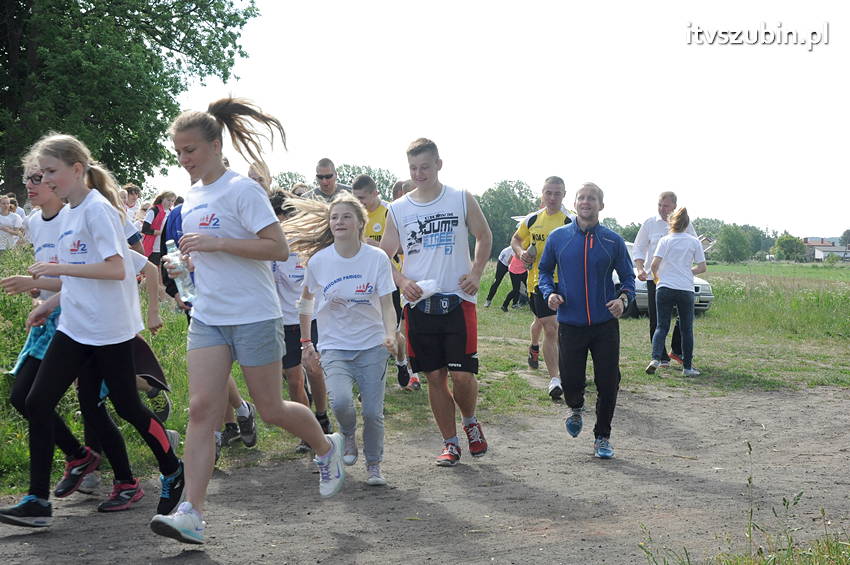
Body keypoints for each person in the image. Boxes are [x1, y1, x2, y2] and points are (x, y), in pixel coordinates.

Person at [150, 97, 344, 545]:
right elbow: (206, 253)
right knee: (201, 409)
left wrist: (218, 244)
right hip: (210, 315)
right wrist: (185, 266)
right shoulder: (192, 198)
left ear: (216, 145)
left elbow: (276, 248)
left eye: (191, 150)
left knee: (271, 408)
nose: (184, 160)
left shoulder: (243, 190)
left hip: (255, 313)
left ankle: (324, 446)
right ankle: (191, 514)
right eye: (178, 152)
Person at [0, 133, 184, 528]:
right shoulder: (68, 213)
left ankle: (172, 465)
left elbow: (117, 269)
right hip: (75, 325)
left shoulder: (97, 210)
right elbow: (76, 282)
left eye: (52, 172)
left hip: (109, 329)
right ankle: (37, 501)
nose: (45, 180)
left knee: (127, 407)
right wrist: (48, 304)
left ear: (77, 169)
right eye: (42, 173)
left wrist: (58, 269)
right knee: (35, 401)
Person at [380, 138, 492, 467]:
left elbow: (484, 236)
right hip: (419, 305)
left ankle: (470, 421)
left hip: (458, 299)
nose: (419, 173)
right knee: (433, 377)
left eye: (425, 167)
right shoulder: (398, 209)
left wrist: (476, 272)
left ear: (438, 164)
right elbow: (383, 255)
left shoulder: (459, 198)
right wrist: (402, 281)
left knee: (462, 375)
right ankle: (450, 442)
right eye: (413, 168)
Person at [286, 193, 396, 485]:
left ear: (360, 222)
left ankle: (374, 465)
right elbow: (306, 302)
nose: (339, 222)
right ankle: (347, 433)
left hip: (372, 345)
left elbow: (387, 304)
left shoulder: (377, 259)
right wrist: (307, 343)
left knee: (373, 412)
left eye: (346, 216)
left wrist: (389, 333)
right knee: (341, 404)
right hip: (334, 346)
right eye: (334, 217)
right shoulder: (319, 261)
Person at [538, 182, 635, 460]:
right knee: (571, 381)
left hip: (605, 324)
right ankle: (576, 406)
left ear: (600, 205)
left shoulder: (612, 241)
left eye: (592, 198)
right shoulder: (558, 238)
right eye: (582, 198)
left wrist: (622, 300)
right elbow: (544, 272)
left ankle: (602, 437)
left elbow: (628, 278)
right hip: (570, 322)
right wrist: (550, 293)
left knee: (608, 381)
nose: (586, 202)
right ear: (575, 203)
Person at [269, 190, 333, 454]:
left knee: (314, 370)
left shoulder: (310, 244)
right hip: (284, 320)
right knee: (294, 378)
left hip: (312, 316)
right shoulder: (271, 246)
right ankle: (309, 433)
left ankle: (322, 416)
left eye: (276, 218)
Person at [511, 177, 572, 400]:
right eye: (548, 193)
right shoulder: (532, 219)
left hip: (565, 283)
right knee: (550, 327)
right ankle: (555, 378)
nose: (552, 197)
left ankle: (540, 351)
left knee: (555, 327)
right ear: (542, 194)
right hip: (538, 282)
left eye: (557, 193)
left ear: (564, 195)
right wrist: (521, 254)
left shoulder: (570, 221)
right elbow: (516, 240)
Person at [352, 174, 413, 389]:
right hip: (364, 284)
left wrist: (374, 247)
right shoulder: (354, 217)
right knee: (371, 333)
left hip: (391, 280)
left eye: (363, 199)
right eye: (355, 199)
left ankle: (402, 362)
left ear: (375, 193)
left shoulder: (390, 212)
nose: (359, 204)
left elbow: (406, 246)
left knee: (394, 333)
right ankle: (369, 384)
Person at [632, 191, 698, 367]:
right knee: (658, 318)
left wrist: (687, 270)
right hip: (656, 279)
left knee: (683, 318)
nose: (662, 209)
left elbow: (695, 248)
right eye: (660, 205)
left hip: (680, 280)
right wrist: (640, 269)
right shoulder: (650, 223)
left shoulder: (686, 225)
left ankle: (677, 350)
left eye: (666, 206)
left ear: (674, 207)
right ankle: (660, 357)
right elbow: (638, 248)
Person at [646, 207, 706, 377]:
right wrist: (688, 272)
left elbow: (654, 266)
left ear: (670, 222)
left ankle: (656, 359)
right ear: (687, 224)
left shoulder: (665, 240)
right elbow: (702, 267)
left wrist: (658, 280)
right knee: (687, 329)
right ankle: (687, 367)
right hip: (685, 289)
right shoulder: (694, 242)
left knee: (661, 326)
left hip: (665, 287)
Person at [141, 190, 176, 264]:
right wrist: (160, 232)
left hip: (165, 248)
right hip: (153, 247)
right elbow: (145, 229)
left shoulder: (172, 213)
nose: (170, 203)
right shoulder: (154, 210)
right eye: (168, 200)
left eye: (172, 201)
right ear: (162, 199)